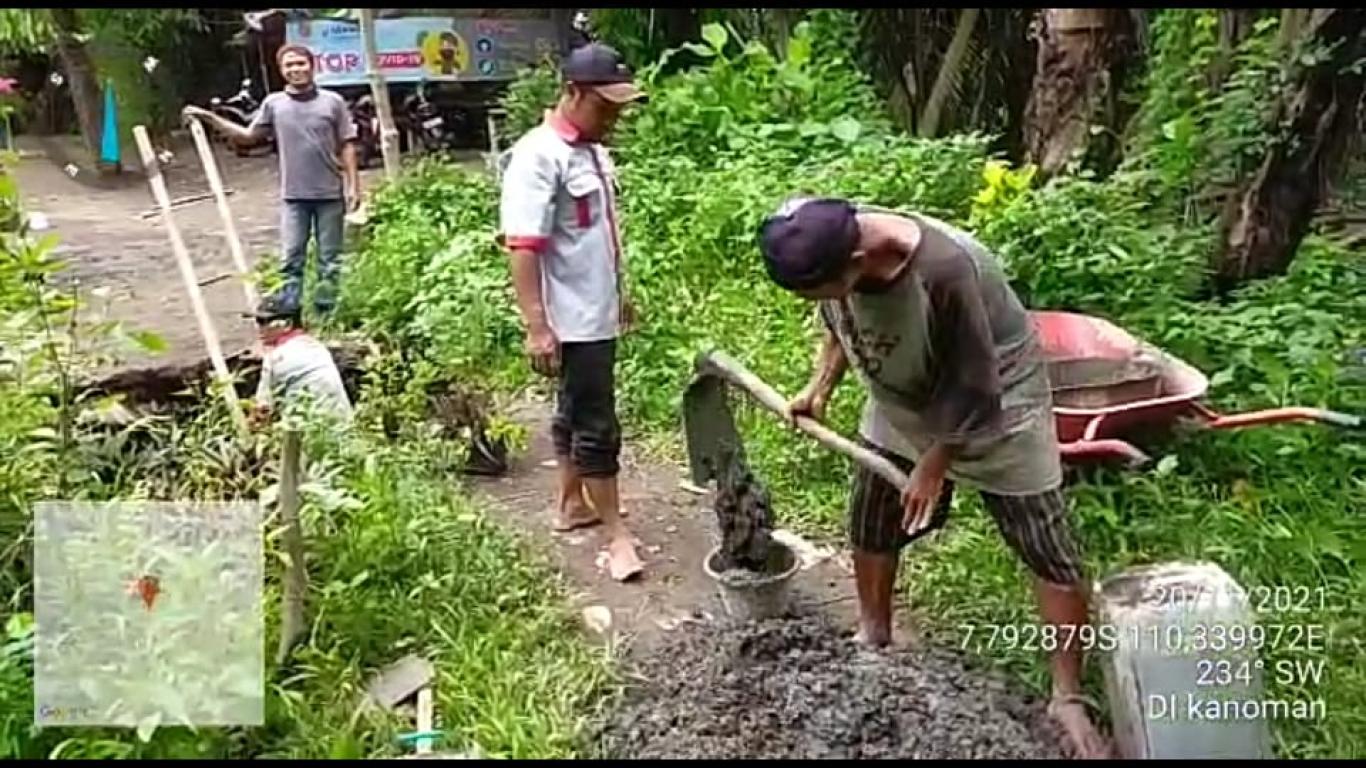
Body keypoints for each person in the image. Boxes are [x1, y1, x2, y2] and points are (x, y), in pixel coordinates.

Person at [758, 197, 1110, 759]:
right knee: (872, 518)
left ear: (857, 261)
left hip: (997, 398)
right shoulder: (829, 241)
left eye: (819, 290)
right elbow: (838, 322)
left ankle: (1067, 696)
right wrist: (819, 388)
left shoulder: (944, 271)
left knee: (1046, 547)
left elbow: (974, 381)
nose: (820, 301)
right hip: (904, 395)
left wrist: (935, 461)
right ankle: (874, 635)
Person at [497, 43, 646, 582]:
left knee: (573, 408)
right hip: (572, 318)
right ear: (572, 93)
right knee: (596, 423)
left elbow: (595, 235)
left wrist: (619, 293)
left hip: (596, 308)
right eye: (605, 106)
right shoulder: (538, 156)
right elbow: (523, 246)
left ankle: (570, 503)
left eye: (619, 108)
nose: (613, 118)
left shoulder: (593, 151)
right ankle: (617, 536)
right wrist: (537, 326)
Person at [184, 44, 360, 319]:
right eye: (289, 65)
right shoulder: (274, 104)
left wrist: (354, 186)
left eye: (300, 63)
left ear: (312, 66)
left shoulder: (332, 102)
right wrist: (208, 117)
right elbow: (247, 136)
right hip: (294, 196)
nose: (295, 69)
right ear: (281, 70)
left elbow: (347, 145)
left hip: (330, 194)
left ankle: (326, 313)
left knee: (330, 259)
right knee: (291, 256)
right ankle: (290, 311)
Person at [250, 304, 353, 427]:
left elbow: (262, 409)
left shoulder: (275, 358)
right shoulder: (318, 347)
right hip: (343, 425)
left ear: (287, 324)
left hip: (305, 429)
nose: (259, 328)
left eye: (263, 322)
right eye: (258, 321)